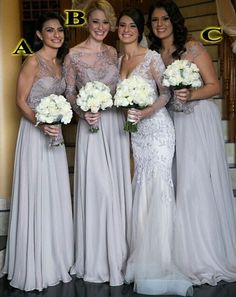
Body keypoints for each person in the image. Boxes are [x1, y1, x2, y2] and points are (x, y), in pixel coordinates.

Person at [147, 0, 236, 286]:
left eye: (164, 19)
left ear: (174, 20)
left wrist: (189, 95)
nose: (160, 24)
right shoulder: (155, 55)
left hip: (196, 120)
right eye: (155, 20)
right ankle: (182, 251)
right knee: (178, 183)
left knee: (194, 184)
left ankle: (204, 254)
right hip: (171, 123)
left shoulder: (194, 47)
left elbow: (214, 85)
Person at [117, 7, 193, 296]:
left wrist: (145, 112)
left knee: (159, 186)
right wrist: (129, 110)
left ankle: (160, 259)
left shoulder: (150, 58)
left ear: (140, 30)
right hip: (137, 134)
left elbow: (166, 94)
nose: (127, 30)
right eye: (122, 25)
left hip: (158, 129)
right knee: (143, 189)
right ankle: (141, 258)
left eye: (133, 26)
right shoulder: (119, 60)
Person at [2, 12, 74, 291]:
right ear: (39, 35)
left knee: (54, 193)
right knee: (36, 192)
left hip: (54, 137)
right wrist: (41, 123)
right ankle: (34, 262)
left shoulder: (61, 65)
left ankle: (55, 258)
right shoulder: (33, 61)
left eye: (59, 30)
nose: (56, 34)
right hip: (35, 135)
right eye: (49, 30)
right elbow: (20, 100)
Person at [64, 0, 132, 286]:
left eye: (106, 22)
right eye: (96, 22)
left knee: (116, 189)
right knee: (98, 190)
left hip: (115, 126)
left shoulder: (114, 52)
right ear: (86, 23)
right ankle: (96, 257)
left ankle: (120, 255)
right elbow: (68, 94)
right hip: (91, 129)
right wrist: (84, 112)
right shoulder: (72, 55)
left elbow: (120, 88)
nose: (101, 27)